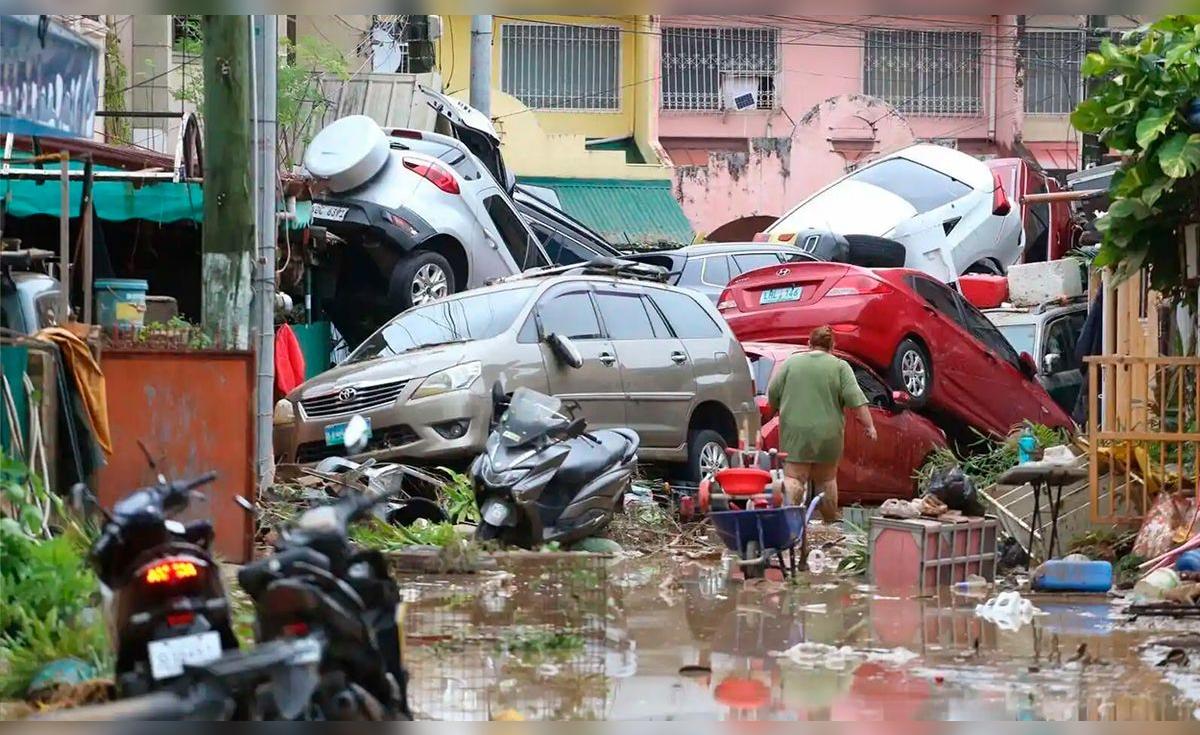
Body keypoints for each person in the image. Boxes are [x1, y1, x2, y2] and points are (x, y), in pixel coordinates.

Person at [767, 325, 876, 522]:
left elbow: (772, 394)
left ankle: (788, 523)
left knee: (794, 478)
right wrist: (870, 426)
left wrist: (773, 411)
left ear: (809, 344)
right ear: (832, 346)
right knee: (826, 480)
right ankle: (828, 525)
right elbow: (856, 399)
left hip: (795, 432)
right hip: (828, 434)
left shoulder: (791, 363)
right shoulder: (840, 366)